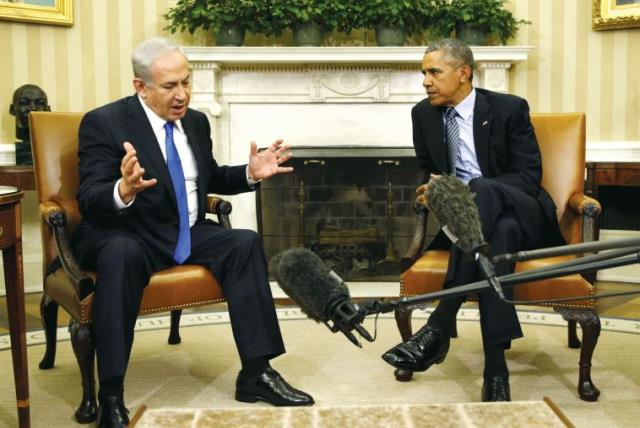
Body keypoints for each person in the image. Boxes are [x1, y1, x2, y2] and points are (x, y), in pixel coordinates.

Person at [74, 37, 313, 428]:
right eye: (170, 86)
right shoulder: (105, 122)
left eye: (186, 82)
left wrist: (250, 173)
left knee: (244, 243)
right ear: (141, 86)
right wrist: (124, 189)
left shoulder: (197, 122)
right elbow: (88, 197)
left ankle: (256, 372)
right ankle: (111, 394)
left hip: (181, 229)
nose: (182, 94)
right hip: (127, 231)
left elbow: (209, 177)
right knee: (121, 254)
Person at [381, 39, 564, 402]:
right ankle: (496, 369)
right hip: (481, 227)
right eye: (424, 73)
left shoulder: (508, 108)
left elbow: (528, 176)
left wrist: (475, 190)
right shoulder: (423, 115)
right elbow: (431, 171)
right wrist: (431, 191)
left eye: (434, 72)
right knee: (499, 236)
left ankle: (439, 324)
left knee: (485, 192)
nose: (425, 81)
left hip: (523, 211)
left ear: (463, 73)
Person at [9, 83, 50, 164]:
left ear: (48, 110)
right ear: (12, 110)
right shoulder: (11, 152)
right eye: (24, 103)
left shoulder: (54, 149)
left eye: (40, 103)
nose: (33, 108)